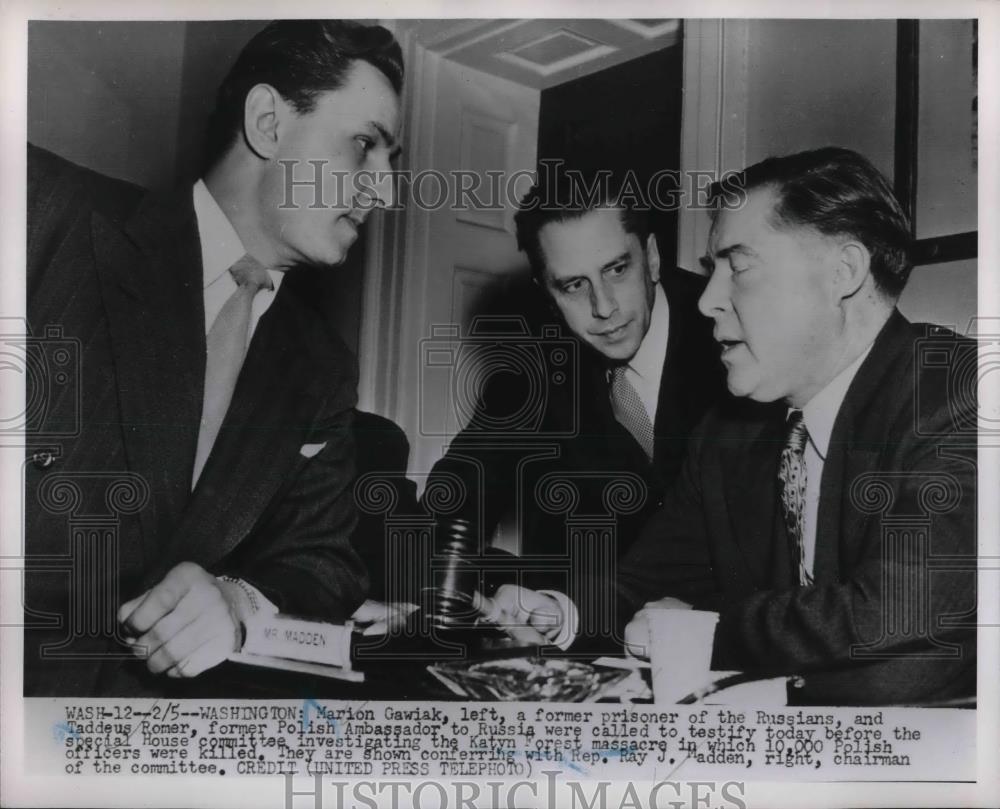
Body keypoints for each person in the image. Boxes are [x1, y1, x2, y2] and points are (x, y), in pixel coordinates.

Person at [485, 147, 976, 706]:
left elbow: (893, 616)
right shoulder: (730, 433)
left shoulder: (960, 395)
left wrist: (705, 634)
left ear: (843, 271)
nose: (709, 300)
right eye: (710, 271)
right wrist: (560, 613)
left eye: (737, 267)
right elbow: (647, 581)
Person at [24, 20, 403, 695]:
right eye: (365, 145)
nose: (386, 191)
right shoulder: (41, 212)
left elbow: (321, 563)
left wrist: (237, 602)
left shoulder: (320, 368)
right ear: (267, 121)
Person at [421, 172, 724, 597]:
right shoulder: (535, 367)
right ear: (546, 293)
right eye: (574, 285)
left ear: (652, 258)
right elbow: (458, 496)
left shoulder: (729, 332)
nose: (604, 307)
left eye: (617, 269)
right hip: (589, 633)